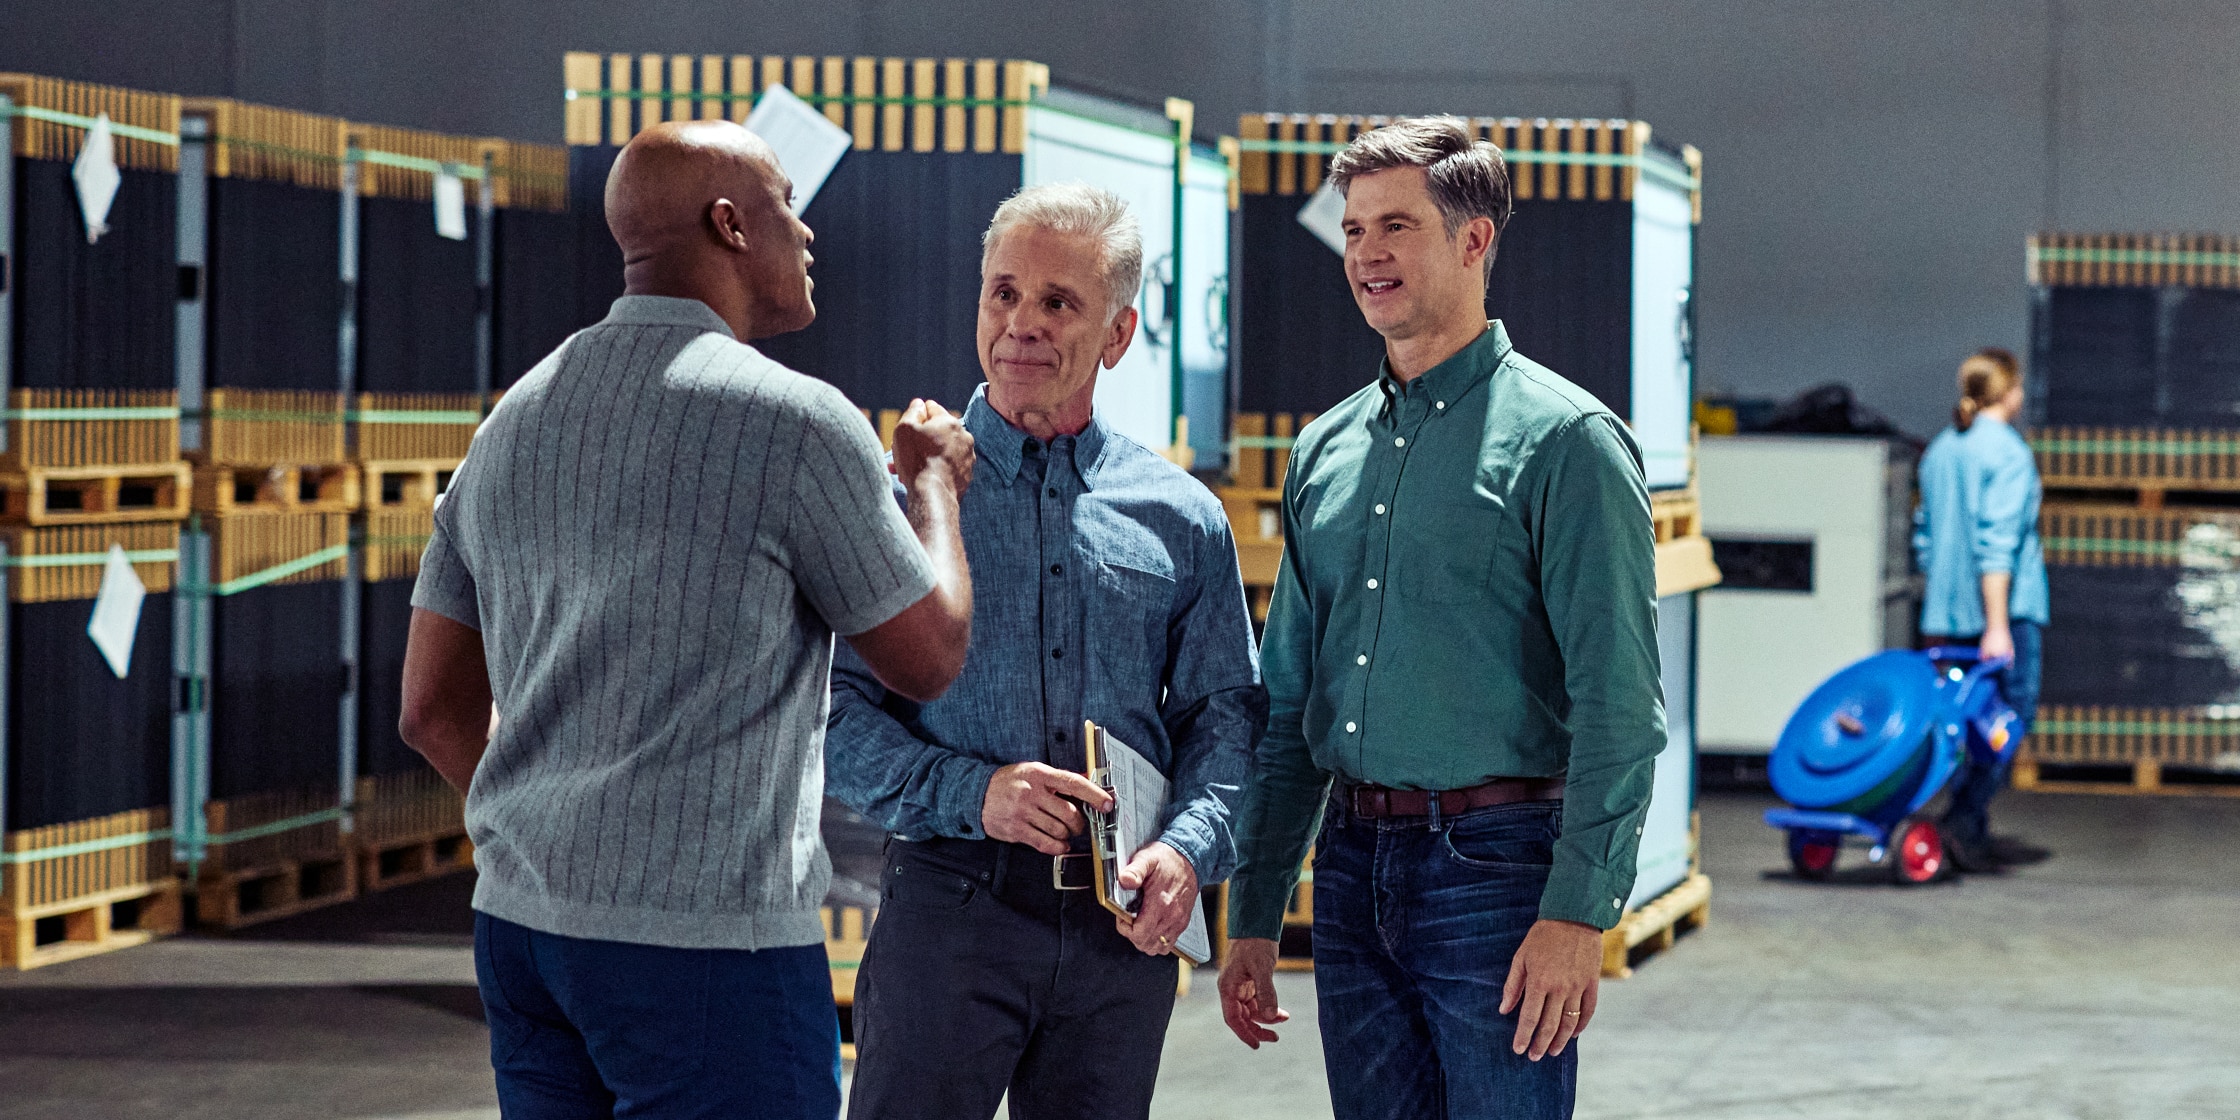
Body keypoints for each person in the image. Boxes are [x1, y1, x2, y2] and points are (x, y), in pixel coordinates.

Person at [398, 119, 978, 1120]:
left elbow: (430, 711)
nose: (805, 233)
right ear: (727, 225)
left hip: (523, 931)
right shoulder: (797, 423)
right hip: (708, 954)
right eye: (786, 205)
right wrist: (932, 489)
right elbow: (927, 657)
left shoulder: (512, 422)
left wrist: (554, 827)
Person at [1216, 116, 1667, 1120]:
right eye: (1353, 229)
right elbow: (1290, 696)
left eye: (1397, 226)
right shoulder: (1324, 449)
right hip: (1349, 865)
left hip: (1497, 872)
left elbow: (1620, 706)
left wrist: (1575, 913)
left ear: (1474, 240)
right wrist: (1252, 903)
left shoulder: (1567, 443)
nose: (1368, 254)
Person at [825, 182, 1266, 1120]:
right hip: (951, 905)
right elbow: (836, 719)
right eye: (1003, 293)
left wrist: (1187, 853)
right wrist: (975, 794)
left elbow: (1225, 720)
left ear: (1116, 334)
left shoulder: (1181, 519)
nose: (1021, 324)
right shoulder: (900, 502)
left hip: (1120, 935)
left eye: (1058, 303)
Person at [1913, 347, 2048, 873]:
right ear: (2010, 392)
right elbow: (1998, 544)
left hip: (1944, 614)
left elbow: (1923, 540)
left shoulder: (1942, 450)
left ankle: (1968, 831)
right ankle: (1961, 822)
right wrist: (1997, 625)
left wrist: (1941, 600)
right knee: (2007, 720)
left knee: (1959, 725)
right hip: (2001, 614)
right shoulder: (2009, 455)